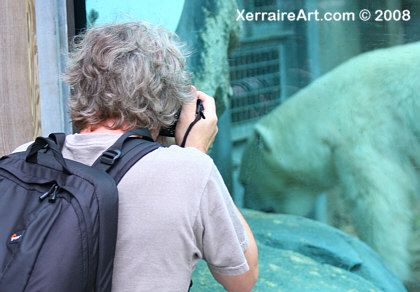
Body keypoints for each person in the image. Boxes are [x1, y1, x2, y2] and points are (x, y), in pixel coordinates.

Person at [61, 22, 258, 291]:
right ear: (169, 98)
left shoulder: (27, 158)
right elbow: (243, 278)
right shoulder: (188, 170)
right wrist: (196, 152)